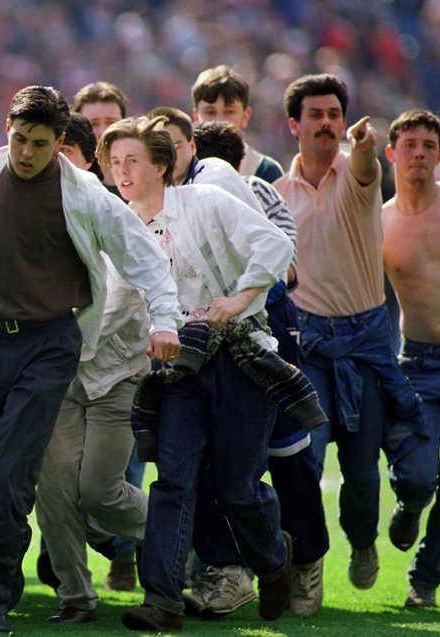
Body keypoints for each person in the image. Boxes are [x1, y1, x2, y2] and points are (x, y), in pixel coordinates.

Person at [0, 86, 183, 634]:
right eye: (18, 139)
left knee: (9, 473)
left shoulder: (85, 193)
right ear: (6, 131)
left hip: (51, 345)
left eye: (40, 143)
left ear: (61, 142)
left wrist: (164, 322)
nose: (26, 152)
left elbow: (145, 258)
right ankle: (8, 565)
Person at [102, 116, 301, 632]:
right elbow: (111, 310)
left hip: (240, 355)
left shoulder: (205, 200)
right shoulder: (120, 229)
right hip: (177, 370)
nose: (121, 171)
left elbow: (277, 245)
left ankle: (275, 560)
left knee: (236, 487)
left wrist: (239, 298)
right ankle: (162, 600)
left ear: (161, 166)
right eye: (114, 162)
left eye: (132, 161)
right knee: (172, 481)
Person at [273, 73, 426, 592]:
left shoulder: (359, 174)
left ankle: (362, 541)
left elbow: (366, 166)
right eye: (314, 115)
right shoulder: (276, 194)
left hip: (363, 344)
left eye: (333, 114)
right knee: (305, 460)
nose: (325, 123)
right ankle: (307, 566)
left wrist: (362, 147)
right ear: (293, 124)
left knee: (361, 478)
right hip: (307, 345)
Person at [188, 119, 330, 619]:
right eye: (207, 104)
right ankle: (228, 572)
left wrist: (235, 298)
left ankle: (306, 556)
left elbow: (285, 269)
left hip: (266, 336)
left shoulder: (257, 190)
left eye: (226, 104)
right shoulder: (173, 200)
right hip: (203, 343)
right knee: (205, 463)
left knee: (289, 456)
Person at [33, 110, 151, 624]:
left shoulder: (113, 213)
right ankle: (76, 597)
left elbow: (122, 299)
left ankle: (204, 536)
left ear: (87, 161)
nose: (55, 167)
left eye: (65, 156)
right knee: (53, 487)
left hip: (116, 373)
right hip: (58, 374)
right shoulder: (28, 213)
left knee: (100, 492)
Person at [381, 109, 440, 608]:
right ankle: (410, 505)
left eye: (428, 145)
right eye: (409, 144)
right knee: (415, 477)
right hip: (416, 363)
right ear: (392, 152)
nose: (418, 153)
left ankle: (426, 579)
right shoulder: (380, 220)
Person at [191, 65, 284, 183]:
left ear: (245, 117)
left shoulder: (265, 171)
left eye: (229, 112)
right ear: (196, 117)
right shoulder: (182, 169)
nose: (219, 121)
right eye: (210, 112)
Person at [72, 82, 128, 194]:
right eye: (93, 124)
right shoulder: (69, 185)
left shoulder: (142, 184)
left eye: (111, 122)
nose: (103, 132)